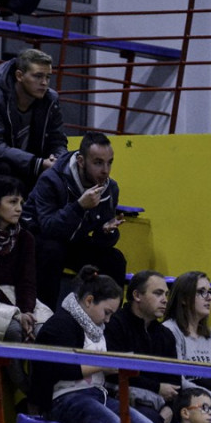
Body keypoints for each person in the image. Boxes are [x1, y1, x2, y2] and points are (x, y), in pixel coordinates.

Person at [30, 266, 159, 423]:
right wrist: (104, 364)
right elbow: (57, 370)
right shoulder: (60, 324)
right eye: (107, 312)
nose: (108, 320)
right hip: (63, 397)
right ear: (89, 301)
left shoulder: (96, 326)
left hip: (98, 394)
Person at [21, 131, 126, 306]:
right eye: (98, 163)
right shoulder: (52, 179)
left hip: (73, 241)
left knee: (114, 259)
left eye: (109, 163)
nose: (105, 170)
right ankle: (43, 315)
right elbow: (48, 227)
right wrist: (79, 207)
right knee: (52, 251)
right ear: (81, 161)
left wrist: (107, 232)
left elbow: (101, 241)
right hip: (38, 238)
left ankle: (110, 321)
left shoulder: (110, 188)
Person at [0, 175, 51, 396]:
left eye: (21, 203)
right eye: (12, 202)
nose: (19, 208)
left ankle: (42, 394)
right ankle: (28, 394)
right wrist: (18, 315)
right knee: (15, 331)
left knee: (45, 331)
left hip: (21, 300)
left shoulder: (26, 238)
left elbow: (27, 280)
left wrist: (27, 310)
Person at [0, 48, 67, 188]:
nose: (44, 82)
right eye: (38, 76)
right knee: (3, 170)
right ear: (19, 76)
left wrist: (57, 160)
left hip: (29, 164)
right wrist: (37, 163)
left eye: (48, 77)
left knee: (66, 173)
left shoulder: (50, 99)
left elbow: (58, 141)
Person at [104, 270, 180, 423]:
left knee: (195, 422)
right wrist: (157, 388)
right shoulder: (115, 324)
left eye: (166, 294)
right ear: (137, 295)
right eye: (158, 293)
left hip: (160, 404)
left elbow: (175, 381)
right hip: (121, 397)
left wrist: (170, 408)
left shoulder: (166, 335)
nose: (165, 300)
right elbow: (113, 373)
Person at [163, 271, 211, 423]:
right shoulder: (170, 331)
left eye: (210, 292)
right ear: (183, 298)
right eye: (201, 292)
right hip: (190, 403)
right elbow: (180, 382)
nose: (209, 297)